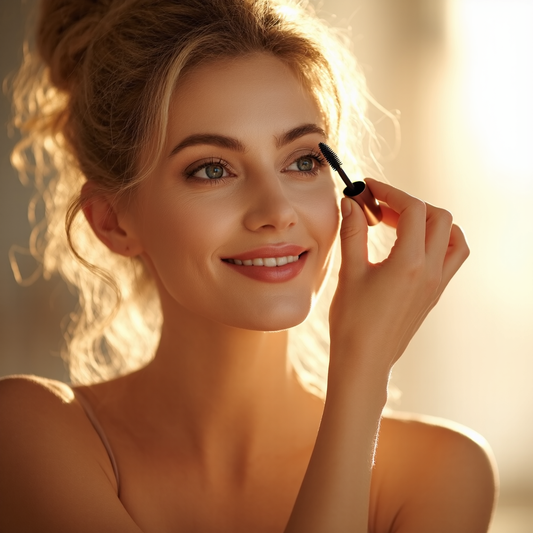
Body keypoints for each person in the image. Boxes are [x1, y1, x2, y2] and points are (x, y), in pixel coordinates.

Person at [0, 0, 497, 531]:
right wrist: (362, 372)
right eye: (212, 169)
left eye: (303, 161)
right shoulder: (30, 431)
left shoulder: (441, 471)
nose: (277, 211)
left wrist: (364, 368)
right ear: (113, 223)